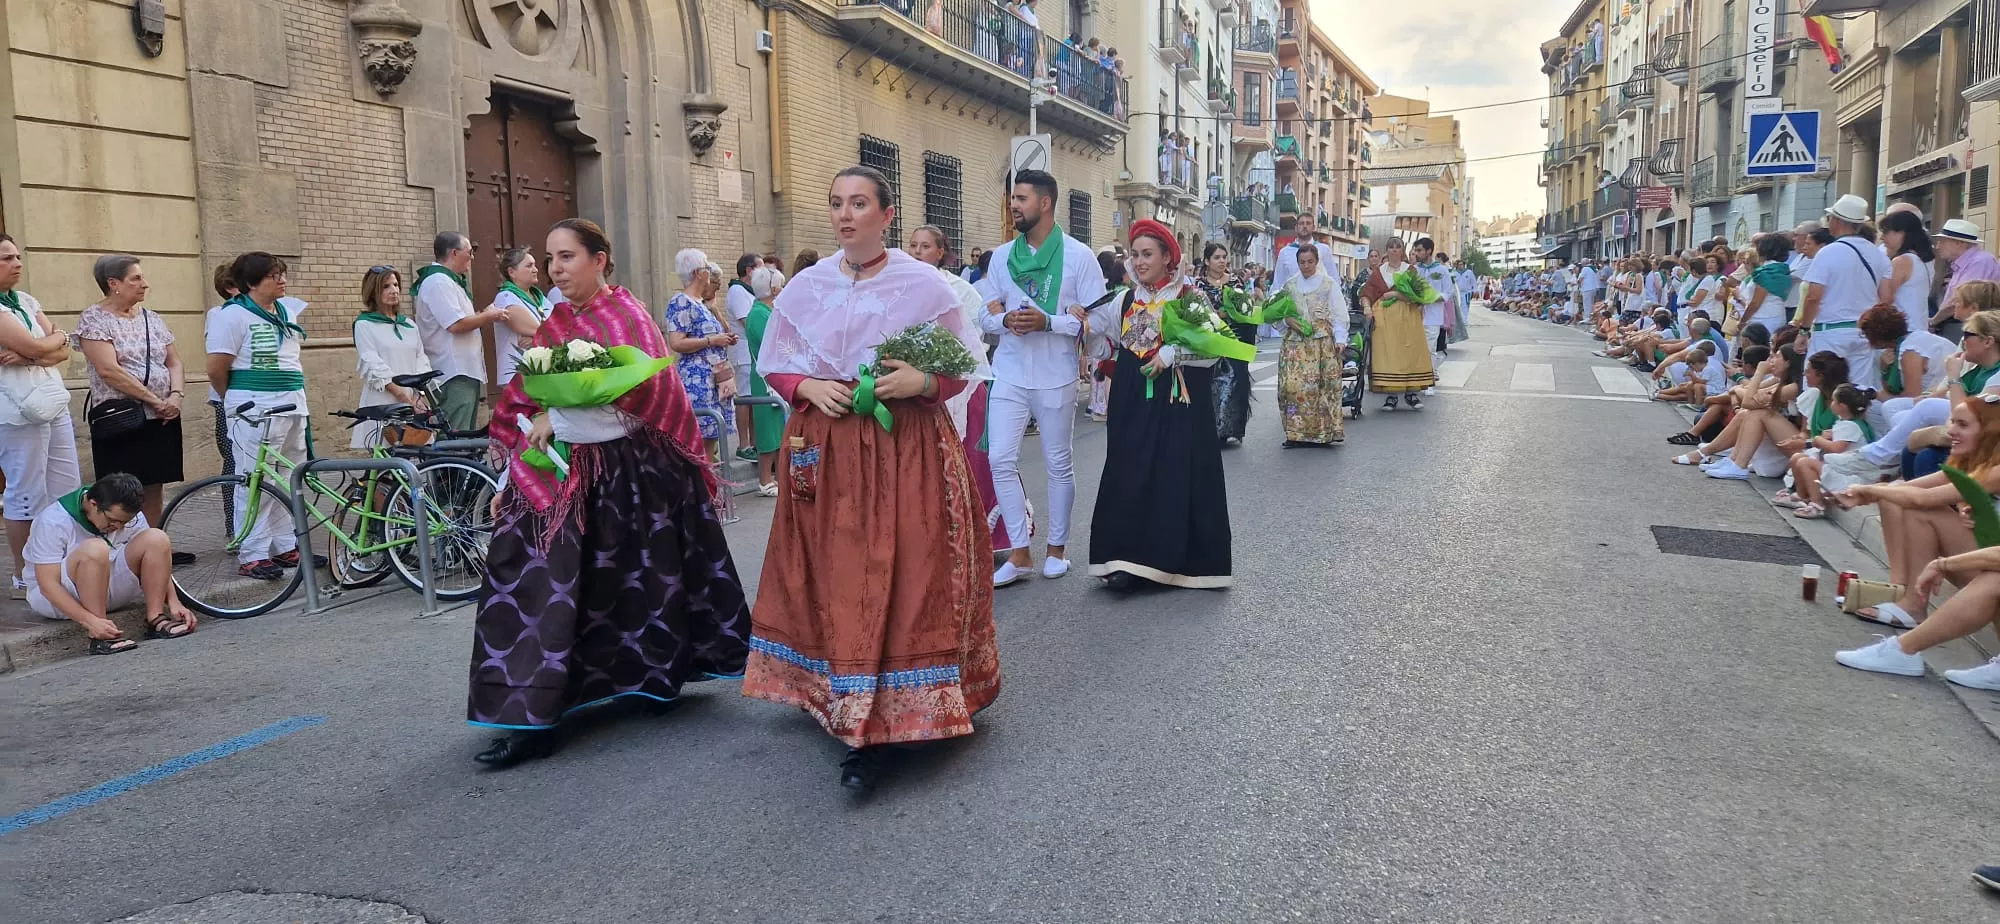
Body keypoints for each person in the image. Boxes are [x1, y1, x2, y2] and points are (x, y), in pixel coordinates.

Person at [743, 166, 997, 793]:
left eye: (859, 203)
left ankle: (892, 714)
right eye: (836, 204)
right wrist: (804, 385)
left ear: (887, 215)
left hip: (906, 445)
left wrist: (922, 383)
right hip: (826, 447)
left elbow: (959, 367)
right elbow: (774, 362)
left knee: (909, 567)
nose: (845, 214)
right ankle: (841, 691)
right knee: (839, 567)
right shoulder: (806, 285)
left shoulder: (925, 284)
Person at [471, 218, 751, 769]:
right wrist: (511, 474)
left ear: (600, 259)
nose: (556, 268)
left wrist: (563, 413)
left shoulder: (629, 317)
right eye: (550, 258)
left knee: (632, 582)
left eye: (568, 256)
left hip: (629, 475)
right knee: (530, 584)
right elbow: (525, 404)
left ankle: (647, 677)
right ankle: (527, 716)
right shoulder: (554, 323)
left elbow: (645, 400)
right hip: (552, 474)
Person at [1077, 219, 1230, 591]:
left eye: (1148, 254)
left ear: (1167, 257)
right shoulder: (1125, 299)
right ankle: (1124, 559)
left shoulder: (1188, 295)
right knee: (1128, 471)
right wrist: (1086, 329)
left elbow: (1215, 343)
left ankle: (1169, 562)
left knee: (1174, 474)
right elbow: (1108, 344)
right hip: (1132, 401)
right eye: (1136, 255)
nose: (1140, 261)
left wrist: (1172, 352)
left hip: (1178, 403)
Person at [978, 169, 1107, 587]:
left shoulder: (1078, 257)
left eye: (1021, 199)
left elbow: (1099, 318)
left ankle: (1057, 550)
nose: (1013, 206)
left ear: (1045, 203)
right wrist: (1006, 320)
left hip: (1056, 375)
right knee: (999, 458)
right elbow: (983, 314)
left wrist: (1049, 322)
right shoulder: (1001, 258)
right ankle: (1019, 554)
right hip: (1010, 372)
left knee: (1058, 462)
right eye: (1012, 199)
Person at [1832, 395, 2000, 679]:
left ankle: (1903, 649)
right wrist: (1867, 492)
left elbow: (1926, 498)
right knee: (1905, 502)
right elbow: (1912, 491)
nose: (1951, 431)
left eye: (1962, 424)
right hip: (1988, 560)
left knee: (1994, 578)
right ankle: (1907, 602)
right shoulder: (1973, 463)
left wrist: (1871, 491)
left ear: (1989, 431)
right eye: (1952, 422)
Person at [207, 252, 312, 579]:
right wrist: (235, 401)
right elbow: (216, 368)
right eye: (273, 275)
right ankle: (252, 551)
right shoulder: (232, 315)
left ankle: (284, 544)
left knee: (289, 474)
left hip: (292, 401)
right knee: (255, 477)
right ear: (251, 283)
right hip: (255, 404)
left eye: (281, 274)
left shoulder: (286, 310)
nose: (282, 280)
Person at [910, 224, 1015, 549]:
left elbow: (973, 337)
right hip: (914, 390)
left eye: (925, 246)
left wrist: (939, 358)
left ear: (941, 252)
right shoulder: (899, 287)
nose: (916, 252)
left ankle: (979, 536)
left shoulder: (960, 289)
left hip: (961, 389)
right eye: (913, 245)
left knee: (972, 462)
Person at [23, 473, 194, 653]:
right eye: (112, 521)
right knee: (96, 549)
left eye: (125, 522)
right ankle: (100, 635)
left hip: (104, 587)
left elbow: (156, 559)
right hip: (56, 599)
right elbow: (48, 585)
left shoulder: (127, 517)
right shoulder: (52, 521)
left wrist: (174, 602)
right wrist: (90, 621)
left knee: (157, 538)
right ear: (93, 504)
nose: (118, 528)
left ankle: (156, 618)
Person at [75, 254, 185, 529]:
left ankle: (153, 543)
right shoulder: (94, 319)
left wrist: (175, 396)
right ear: (114, 283)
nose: (145, 284)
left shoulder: (152, 318)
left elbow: (174, 361)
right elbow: (108, 370)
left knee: (154, 484)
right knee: (120, 489)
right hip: (121, 419)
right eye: (136, 278)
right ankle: (122, 549)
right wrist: (154, 400)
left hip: (160, 416)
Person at [0, 234, 80, 600]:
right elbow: (40, 344)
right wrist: (46, 346)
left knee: (65, 485)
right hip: (16, 411)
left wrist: (38, 352)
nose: (17, 263)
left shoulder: (26, 301)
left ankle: (61, 563)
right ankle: (23, 574)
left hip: (50, 400)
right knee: (26, 492)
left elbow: (63, 350)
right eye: (6, 259)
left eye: (17, 256)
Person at [1797, 195, 1894, 389]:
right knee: (1858, 391)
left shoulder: (1828, 252)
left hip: (1831, 331)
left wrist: (1804, 329)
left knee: (1817, 391)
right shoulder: (1878, 254)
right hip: (1863, 332)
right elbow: (1887, 299)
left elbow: (1814, 296)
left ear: (1837, 221)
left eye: (1830, 218)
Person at [414, 232, 504, 431]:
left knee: (463, 433)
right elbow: (455, 325)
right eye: (469, 252)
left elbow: (461, 320)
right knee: (455, 433)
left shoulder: (449, 281)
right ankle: (450, 464)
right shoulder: (438, 282)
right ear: (454, 253)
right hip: (452, 371)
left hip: (463, 369)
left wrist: (483, 314)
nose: (472, 257)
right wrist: (489, 316)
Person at [663, 249, 738, 457]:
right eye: (706, 267)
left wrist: (722, 339)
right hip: (698, 379)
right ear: (698, 273)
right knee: (701, 439)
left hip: (716, 378)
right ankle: (704, 485)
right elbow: (676, 342)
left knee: (712, 439)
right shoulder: (681, 302)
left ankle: (711, 485)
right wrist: (711, 340)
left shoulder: (702, 304)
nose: (709, 272)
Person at [349, 266, 433, 448]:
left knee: (419, 454)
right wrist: (401, 395)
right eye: (386, 286)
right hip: (384, 400)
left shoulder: (409, 325)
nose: (394, 290)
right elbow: (371, 362)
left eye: (396, 285)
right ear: (373, 291)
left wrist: (418, 396)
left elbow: (421, 358)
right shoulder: (364, 325)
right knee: (385, 461)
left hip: (412, 399)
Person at [1276, 240, 1346, 447]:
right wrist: (1286, 320)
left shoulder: (1327, 284)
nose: (1306, 266)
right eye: (1302, 262)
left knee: (1321, 388)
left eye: (1310, 261)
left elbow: (1338, 313)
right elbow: (1278, 311)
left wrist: (1341, 339)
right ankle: (1295, 433)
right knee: (1293, 387)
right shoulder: (1289, 285)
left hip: (1320, 343)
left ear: (1317, 261)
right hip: (1296, 343)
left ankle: (1323, 432)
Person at [1362, 237, 1438, 409]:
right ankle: (1391, 395)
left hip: (1407, 314)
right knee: (1388, 353)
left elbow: (1420, 295)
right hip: (1384, 317)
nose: (1394, 250)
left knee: (1409, 351)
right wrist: (1367, 307)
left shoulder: (1410, 270)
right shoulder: (1379, 271)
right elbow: (1367, 292)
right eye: (1391, 247)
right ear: (1387, 251)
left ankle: (1411, 393)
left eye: (1398, 247)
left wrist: (1396, 295)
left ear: (1402, 251)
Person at [1194, 243, 1254, 445]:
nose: (1221, 261)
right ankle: (1214, 428)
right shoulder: (1199, 284)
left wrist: (1233, 312)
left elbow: (1245, 306)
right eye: (1217, 257)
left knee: (1236, 382)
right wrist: (1213, 316)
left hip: (1235, 337)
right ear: (1207, 261)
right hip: (1210, 339)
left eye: (1223, 257)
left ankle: (1231, 428)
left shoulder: (1235, 281)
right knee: (1214, 383)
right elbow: (1195, 310)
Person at [741, 264, 786, 496]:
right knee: (767, 429)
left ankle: (779, 475)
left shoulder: (768, 311)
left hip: (774, 376)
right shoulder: (759, 313)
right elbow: (774, 340)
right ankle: (765, 479)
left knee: (778, 427)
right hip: (764, 378)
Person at [491, 247, 557, 387]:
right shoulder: (506, 297)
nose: (535, 269)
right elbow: (536, 328)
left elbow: (561, 326)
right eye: (529, 266)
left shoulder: (540, 297)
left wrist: (537, 336)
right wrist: (541, 333)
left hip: (542, 373)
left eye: (534, 265)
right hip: (518, 374)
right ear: (512, 272)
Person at [725, 253, 763, 459]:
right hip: (743, 351)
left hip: (752, 352)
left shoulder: (749, 291)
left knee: (754, 398)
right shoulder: (738, 291)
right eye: (760, 267)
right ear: (749, 270)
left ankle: (756, 443)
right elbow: (747, 321)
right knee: (746, 398)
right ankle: (744, 444)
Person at [1876, 209, 1936, 335]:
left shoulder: (1901, 261)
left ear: (1902, 233)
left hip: (1905, 332)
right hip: (1918, 329)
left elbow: (1886, 298)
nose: (1882, 238)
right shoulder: (1918, 260)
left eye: (1886, 232)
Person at [1936, 219, 2000, 322]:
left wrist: (1934, 321)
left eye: (1942, 241)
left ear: (1959, 243)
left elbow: (1961, 299)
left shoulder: (1980, 262)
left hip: (1970, 324)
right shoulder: (1964, 263)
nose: (1938, 246)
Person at [1411, 239, 1455, 379]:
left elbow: (1448, 292)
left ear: (1429, 251)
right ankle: (1418, 375)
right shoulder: (1415, 270)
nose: (1416, 253)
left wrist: (1433, 297)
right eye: (1415, 250)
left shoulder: (1442, 270)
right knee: (1416, 346)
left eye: (1419, 250)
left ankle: (1429, 376)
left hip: (1433, 315)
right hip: (1415, 314)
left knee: (1430, 347)